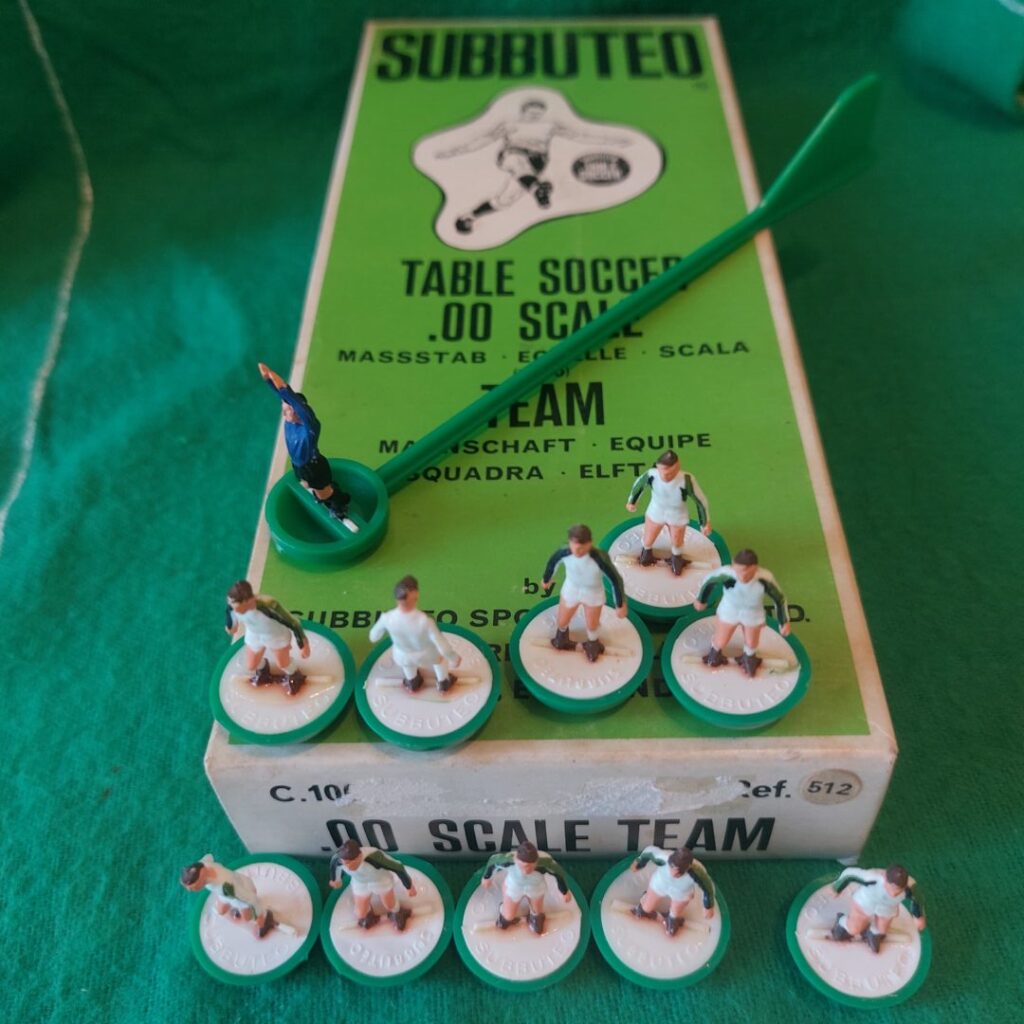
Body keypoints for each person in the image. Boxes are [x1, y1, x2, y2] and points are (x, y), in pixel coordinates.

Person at [436, 98, 630, 234]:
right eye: (532, 112)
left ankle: (469, 216)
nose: (535, 116)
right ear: (524, 111)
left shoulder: (549, 126)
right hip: (513, 154)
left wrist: (612, 141)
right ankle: (537, 189)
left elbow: (580, 136)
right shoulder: (511, 124)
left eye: (539, 113)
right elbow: (483, 140)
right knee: (516, 162)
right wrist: (455, 151)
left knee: (505, 201)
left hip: (537, 162)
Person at [259, 362, 357, 531]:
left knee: (323, 493)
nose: (284, 413)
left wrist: (281, 386)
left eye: (288, 410)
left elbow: (294, 401)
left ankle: (340, 508)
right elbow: (284, 398)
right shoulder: (290, 422)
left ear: (299, 411)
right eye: (284, 409)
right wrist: (268, 380)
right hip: (299, 465)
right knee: (307, 485)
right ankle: (322, 490)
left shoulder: (309, 426)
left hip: (314, 467)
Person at [693, 549, 790, 677]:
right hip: (729, 610)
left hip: (752, 613)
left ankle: (749, 658)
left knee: (751, 642)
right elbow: (709, 582)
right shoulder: (726, 574)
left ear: (754, 568)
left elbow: (779, 598)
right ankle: (714, 654)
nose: (742, 575)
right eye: (738, 571)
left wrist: (783, 621)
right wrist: (701, 600)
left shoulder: (764, 578)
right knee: (720, 640)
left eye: (746, 571)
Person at [541, 524, 627, 662]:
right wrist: (547, 578)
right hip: (571, 589)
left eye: (581, 547)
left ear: (589, 544)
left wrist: (620, 604)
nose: (577, 550)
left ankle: (593, 643)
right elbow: (552, 563)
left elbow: (615, 579)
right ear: (570, 542)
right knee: (562, 620)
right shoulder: (563, 552)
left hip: (593, 593)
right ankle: (561, 637)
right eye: (574, 545)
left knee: (592, 624)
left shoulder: (599, 558)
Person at [368, 576, 462, 693]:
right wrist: (453, 657)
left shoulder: (386, 618)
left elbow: (373, 637)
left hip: (402, 655)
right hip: (426, 654)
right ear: (415, 596)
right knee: (440, 660)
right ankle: (444, 682)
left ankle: (413, 682)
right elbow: (441, 643)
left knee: (408, 665)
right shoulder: (425, 621)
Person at [625, 450, 711, 575]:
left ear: (677, 467)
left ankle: (676, 559)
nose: (665, 475)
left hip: (677, 514)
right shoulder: (651, 474)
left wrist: (705, 522)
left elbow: (700, 500)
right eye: (663, 471)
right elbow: (638, 485)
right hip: (656, 510)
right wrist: (632, 501)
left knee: (677, 540)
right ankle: (646, 555)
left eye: (670, 472)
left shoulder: (686, 480)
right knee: (649, 536)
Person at [225, 579, 309, 695]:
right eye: (231, 605)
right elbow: (230, 618)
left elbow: (293, 622)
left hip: (276, 636)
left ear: (249, 600)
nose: (234, 609)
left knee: (283, 664)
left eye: (237, 606)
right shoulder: (233, 607)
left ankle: (295, 675)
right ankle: (263, 672)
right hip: (254, 635)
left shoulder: (268, 605)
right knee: (252, 665)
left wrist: (303, 644)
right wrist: (231, 626)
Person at [830, 863, 926, 953]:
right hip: (865, 903)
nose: (893, 894)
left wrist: (918, 916)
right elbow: (849, 874)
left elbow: (917, 900)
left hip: (887, 907)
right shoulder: (872, 878)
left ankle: (872, 934)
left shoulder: (910, 887)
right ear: (885, 878)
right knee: (854, 929)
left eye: (898, 891)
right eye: (891, 888)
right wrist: (837, 887)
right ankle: (841, 922)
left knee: (881, 930)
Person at [482, 841, 572, 936]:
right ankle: (504, 912)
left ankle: (534, 917)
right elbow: (493, 862)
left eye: (530, 867)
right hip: (513, 887)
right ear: (516, 859)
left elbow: (558, 873)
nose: (526, 871)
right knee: (508, 917)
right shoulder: (508, 861)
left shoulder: (544, 863)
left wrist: (564, 891)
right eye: (523, 866)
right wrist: (487, 877)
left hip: (535, 888)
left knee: (537, 914)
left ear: (536, 862)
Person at [328, 841, 418, 931]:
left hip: (380, 880)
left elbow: (398, 867)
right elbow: (334, 868)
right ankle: (369, 916)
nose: (348, 867)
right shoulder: (337, 860)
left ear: (359, 857)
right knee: (361, 913)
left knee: (389, 905)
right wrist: (335, 880)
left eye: (350, 862)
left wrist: (409, 886)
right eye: (345, 863)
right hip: (360, 882)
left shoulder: (374, 857)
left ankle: (397, 913)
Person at [180, 855, 276, 938]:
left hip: (242, 895)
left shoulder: (226, 885)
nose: (190, 890)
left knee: (247, 918)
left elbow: (252, 899)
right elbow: (209, 856)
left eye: (193, 887)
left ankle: (266, 919)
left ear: (201, 877)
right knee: (221, 911)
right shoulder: (203, 863)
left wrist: (259, 917)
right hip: (225, 895)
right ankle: (236, 910)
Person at [630, 846, 716, 937]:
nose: (673, 873)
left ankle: (672, 920)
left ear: (687, 868)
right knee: (647, 907)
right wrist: (639, 863)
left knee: (676, 910)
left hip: (681, 892)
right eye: (672, 867)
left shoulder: (697, 872)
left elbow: (707, 888)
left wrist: (708, 906)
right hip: (660, 883)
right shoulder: (662, 858)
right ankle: (644, 908)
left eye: (679, 870)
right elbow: (648, 852)